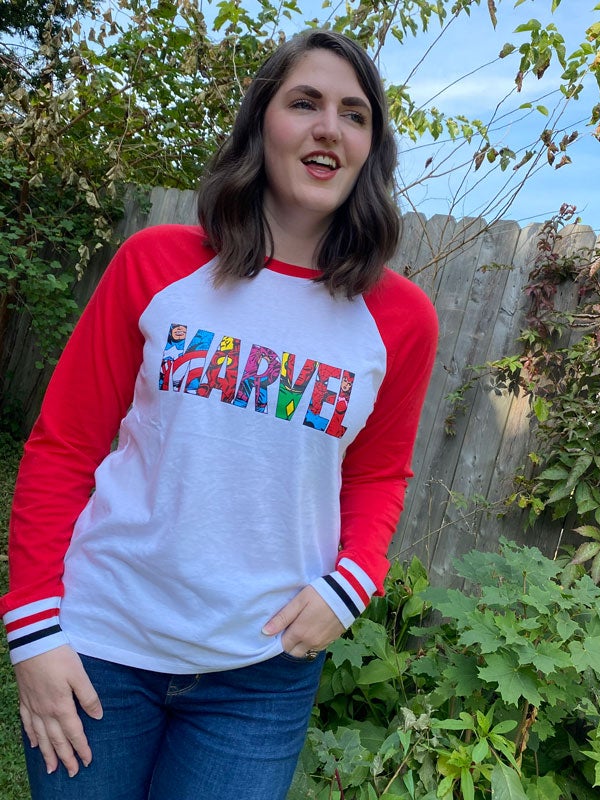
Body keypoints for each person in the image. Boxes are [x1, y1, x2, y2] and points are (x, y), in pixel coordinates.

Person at [1, 28, 439, 800]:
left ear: (371, 149)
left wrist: (351, 584)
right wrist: (32, 629)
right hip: (102, 644)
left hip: (259, 674)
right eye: (304, 103)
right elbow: (64, 446)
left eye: (354, 114)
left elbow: (377, 475)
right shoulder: (156, 264)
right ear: (260, 121)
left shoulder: (399, 319)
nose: (328, 128)